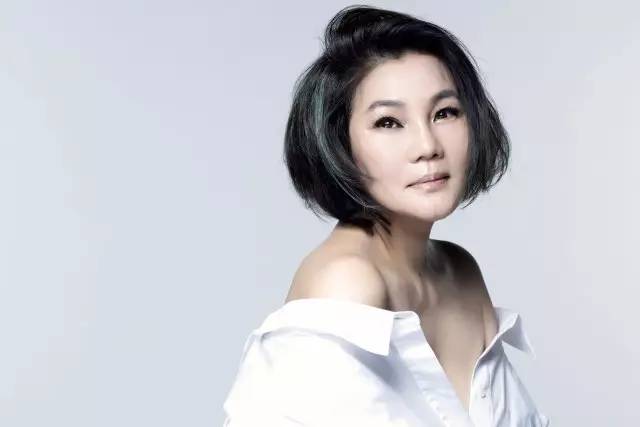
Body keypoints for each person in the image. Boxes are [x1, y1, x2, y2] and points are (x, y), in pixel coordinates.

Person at [222, 4, 549, 427]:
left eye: (445, 112)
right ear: (339, 143)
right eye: (389, 122)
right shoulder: (347, 281)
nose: (428, 146)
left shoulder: (460, 270)